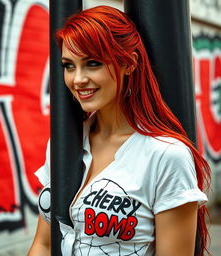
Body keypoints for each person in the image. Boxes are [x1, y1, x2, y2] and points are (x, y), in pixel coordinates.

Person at [27, 5, 211, 256]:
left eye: (92, 63)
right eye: (69, 66)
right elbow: (44, 244)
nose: (77, 79)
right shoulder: (65, 144)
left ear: (129, 64)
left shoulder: (166, 156)